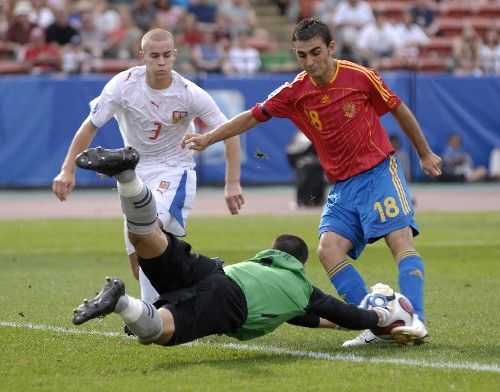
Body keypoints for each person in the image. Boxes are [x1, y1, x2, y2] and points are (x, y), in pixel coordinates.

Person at [181, 17, 442, 346]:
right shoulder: (294, 91)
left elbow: (399, 109)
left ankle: (414, 318)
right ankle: (375, 323)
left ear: (331, 48)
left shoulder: (358, 77)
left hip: (378, 170)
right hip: (342, 185)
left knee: (399, 240)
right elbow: (251, 115)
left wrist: (424, 153)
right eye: (302, 55)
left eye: (315, 52)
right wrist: (208, 139)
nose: (309, 61)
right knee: (329, 250)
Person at [71, 146, 427, 346]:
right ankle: (120, 301)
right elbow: (345, 314)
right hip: (229, 301)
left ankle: (127, 177)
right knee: (158, 333)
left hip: (215, 270)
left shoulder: (263, 267)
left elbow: (314, 319)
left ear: (274, 252)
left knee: (148, 240)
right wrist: (381, 316)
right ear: (300, 265)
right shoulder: (301, 288)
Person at [52, 28, 244, 306]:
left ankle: (149, 312)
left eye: (167, 55)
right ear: (142, 56)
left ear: (175, 55)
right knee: (138, 255)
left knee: (148, 229)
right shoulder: (123, 85)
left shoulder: (189, 93)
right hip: (133, 174)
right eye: (155, 56)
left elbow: (230, 132)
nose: (162, 62)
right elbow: (90, 126)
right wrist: (67, 169)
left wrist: (232, 183)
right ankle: (198, 286)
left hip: (174, 169)